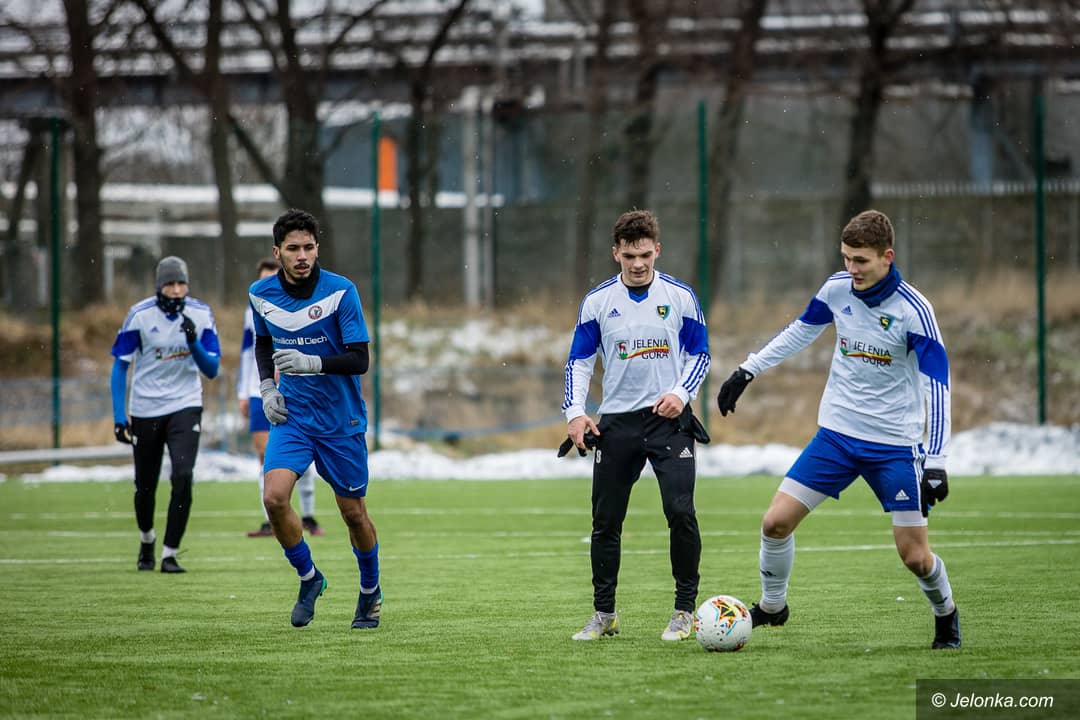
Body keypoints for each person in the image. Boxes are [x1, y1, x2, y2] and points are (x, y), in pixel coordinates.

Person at [715, 209, 960, 649]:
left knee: (915, 557)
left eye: (860, 260)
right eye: (846, 258)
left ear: (887, 257)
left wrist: (936, 460)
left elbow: (937, 386)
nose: (851, 269)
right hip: (836, 437)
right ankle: (773, 606)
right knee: (775, 523)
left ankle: (946, 614)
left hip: (893, 447)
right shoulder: (837, 288)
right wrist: (748, 370)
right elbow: (799, 331)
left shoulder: (914, 311)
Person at [561, 209, 711, 642]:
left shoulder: (680, 296)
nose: (638, 264)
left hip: (670, 423)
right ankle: (604, 614)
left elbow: (700, 355)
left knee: (680, 512)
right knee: (605, 521)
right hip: (618, 424)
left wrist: (681, 393)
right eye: (629, 256)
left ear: (657, 250)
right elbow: (579, 361)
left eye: (645, 255)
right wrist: (575, 412)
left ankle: (684, 611)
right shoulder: (598, 301)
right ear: (616, 254)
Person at [249, 208, 381, 629]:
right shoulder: (260, 293)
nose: (302, 255)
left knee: (353, 513)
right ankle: (309, 578)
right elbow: (263, 344)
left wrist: (313, 362)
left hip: (341, 420)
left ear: (317, 248)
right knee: (274, 498)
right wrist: (267, 388)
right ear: (277, 252)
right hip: (294, 417)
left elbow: (360, 360)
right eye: (293, 248)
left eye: (308, 247)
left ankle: (370, 590)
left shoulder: (341, 292)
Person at [111, 256, 221, 574]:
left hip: (185, 404)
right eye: (169, 284)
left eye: (181, 283)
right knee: (145, 485)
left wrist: (193, 342)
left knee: (183, 476)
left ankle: (170, 553)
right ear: (159, 286)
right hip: (145, 408)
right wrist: (119, 416)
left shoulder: (201, 314)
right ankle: (147, 539)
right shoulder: (139, 315)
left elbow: (211, 369)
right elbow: (120, 367)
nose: (175, 290)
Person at [237, 256, 323, 538]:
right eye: (262, 278)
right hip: (258, 392)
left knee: (303, 456)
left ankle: (308, 515)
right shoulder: (253, 309)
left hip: (296, 389)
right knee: (265, 456)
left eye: (271, 277)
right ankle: (269, 521)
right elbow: (247, 352)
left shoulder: (299, 306)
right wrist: (243, 392)